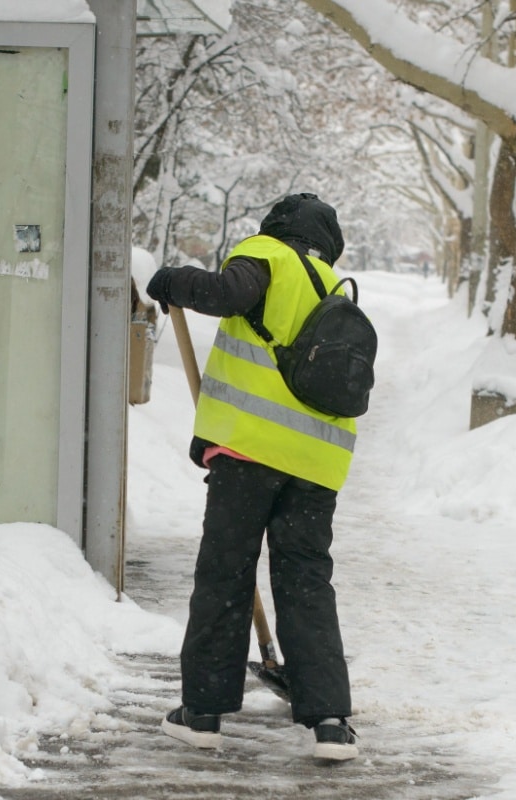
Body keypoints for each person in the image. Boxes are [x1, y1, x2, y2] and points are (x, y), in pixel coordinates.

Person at [145, 193, 358, 762]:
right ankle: (331, 722)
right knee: (307, 583)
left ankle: (203, 714)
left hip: (250, 456)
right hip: (318, 467)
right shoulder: (333, 287)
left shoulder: (269, 254)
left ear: (278, 228)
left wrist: (171, 280)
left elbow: (225, 293)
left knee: (226, 574)